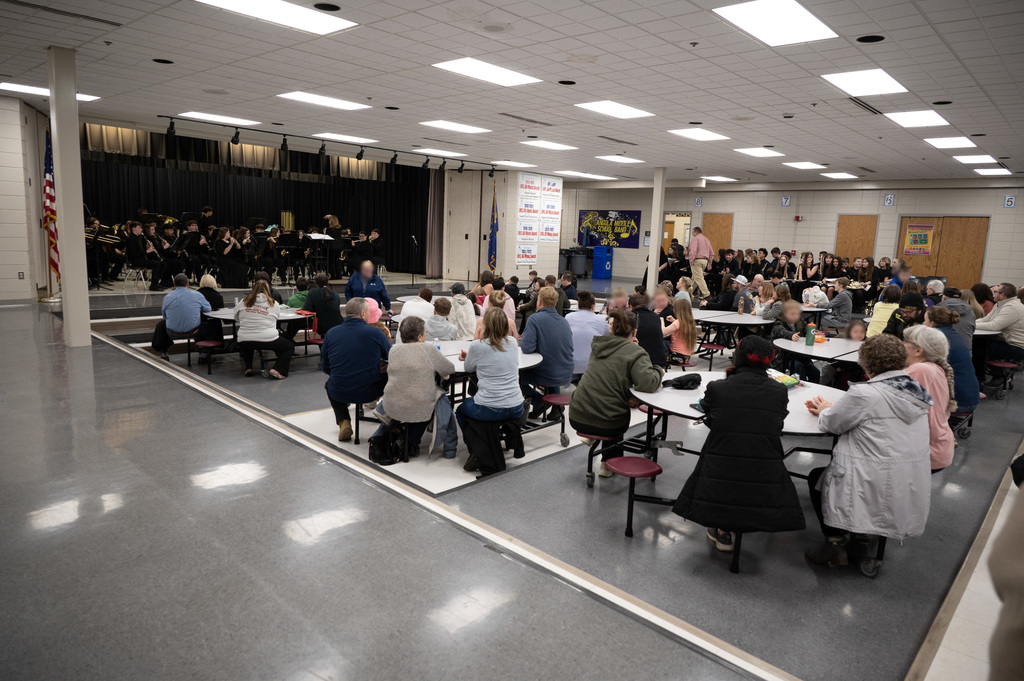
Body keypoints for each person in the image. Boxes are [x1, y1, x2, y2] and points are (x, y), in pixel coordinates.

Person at [803, 334, 932, 567]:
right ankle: (860, 539)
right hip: (905, 476)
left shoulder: (865, 394)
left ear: (866, 361)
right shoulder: (914, 391)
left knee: (817, 478)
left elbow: (832, 424)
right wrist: (839, 408)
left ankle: (834, 544)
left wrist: (824, 409)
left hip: (869, 475)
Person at [673, 335, 805, 552]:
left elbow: (707, 410)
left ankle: (723, 530)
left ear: (738, 358)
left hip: (720, 467)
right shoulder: (779, 391)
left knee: (726, 448)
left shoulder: (718, 388)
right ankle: (732, 525)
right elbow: (775, 423)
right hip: (763, 470)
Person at [569, 308, 664, 477]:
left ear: (612, 329)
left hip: (577, 414)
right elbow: (647, 384)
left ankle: (595, 442)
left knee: (607, 396)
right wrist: (658, 370)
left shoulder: (598, 346)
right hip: (608, 422)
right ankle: (607, 465)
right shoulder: (635, 352)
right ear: (634, 332)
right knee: (614, 410)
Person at [370, 316, 456, 459]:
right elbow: (449, 369)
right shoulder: (429, 349)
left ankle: (388, 435)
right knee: (431, 402)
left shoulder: (393, 350)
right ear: (420, 336)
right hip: (419, 407)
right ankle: (411, 442)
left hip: (391, 404)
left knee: (408, 398)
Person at [456, 307, 527, 456]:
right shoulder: (513, 342)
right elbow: (497, 354)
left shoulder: (477, 346)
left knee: (461, 411)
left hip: (489, 407)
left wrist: (469, 356)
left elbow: (468, 367)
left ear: (486, 325)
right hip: (516, 405)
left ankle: (475, 451)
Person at [321, 298, 391, 442]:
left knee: (330, 384)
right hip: (371, 390)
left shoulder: (331, 333)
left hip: (341, 391)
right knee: (392, 378)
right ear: (363, 314)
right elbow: (392, 357)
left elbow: (326, 367)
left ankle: (344, 421)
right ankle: (390, 419)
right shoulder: (376, 333)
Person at [903, 326, 956, 472]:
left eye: (905, 342)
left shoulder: (920, 370)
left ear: (918, 351)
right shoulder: (934, 368)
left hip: (925, 451)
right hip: (938, 447)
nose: (902, 346)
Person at [520, 286, 574, 418]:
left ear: (539, 301)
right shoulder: (564, 321)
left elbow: (527, 348)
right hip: (566, 371)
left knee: (514, 377)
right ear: (555, 303)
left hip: (547, 373)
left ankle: (538, 401)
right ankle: (555, 405)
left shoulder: (534, 319)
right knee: (552, 360)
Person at [922, 308, 978, 421]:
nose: (923, 323)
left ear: (932, 322)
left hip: (957, 402)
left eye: (925, 320)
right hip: (970, 397)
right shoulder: (956, 335)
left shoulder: (936, 338)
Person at [233, 280, 294, 380]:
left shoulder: (243, 301)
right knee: (289, 347)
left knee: (247, 340)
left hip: (244, 339)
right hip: (268, 339)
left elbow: (236, 317)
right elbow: (276, 318)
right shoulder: (274, 303)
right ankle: (278, 369)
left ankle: (248, 367)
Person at [151, 273, 214, 359]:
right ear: (187, 283)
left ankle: (164, 354)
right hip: (194, 331)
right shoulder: (197, 295)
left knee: (161, 325)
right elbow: (208, 309)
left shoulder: (167, 297)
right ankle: (204, 354)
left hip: (172, 332)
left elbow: (165, 317)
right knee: (212, 326)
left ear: (174, 283)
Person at [770, 301, 821, 383]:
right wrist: (791, 335)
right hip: (783, 357)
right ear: (785, 313)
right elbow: (781, 331)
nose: (796, 316)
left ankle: (813, 390)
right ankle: (802, 389)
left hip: (799, 354)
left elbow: (808, 329)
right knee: (799, 368)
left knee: (815, 371)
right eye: (792, 314)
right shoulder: (779, 322)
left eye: (797, 314)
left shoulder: (800, 322)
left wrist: (815, 333)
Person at [977, 282, 1024, 371]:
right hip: (1007, 342)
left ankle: (997, 376)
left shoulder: (1012, 307)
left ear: (1002, 295)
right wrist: (970, 323)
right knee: (981, 344)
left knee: (986, 349)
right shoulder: (1000, 304)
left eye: (995, 292)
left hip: (1017, 347)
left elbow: (994, 325)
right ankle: (982, 374)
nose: (992, 294)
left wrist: (972, 325)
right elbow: (986, 319)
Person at [566, 290, 610, 381]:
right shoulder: (601, 320)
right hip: (592, 366)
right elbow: (608, 336)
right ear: (593, 306)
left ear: (579, 306)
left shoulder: (568, 317)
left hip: (570, 364)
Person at [125, 220, 170, 291]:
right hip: (136, 260)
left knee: (163, 264)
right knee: (156, 264)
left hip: (141, 259)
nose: (141, 229)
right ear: (133, 229)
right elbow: (133, 254)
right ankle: (153, 286)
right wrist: (147, 251)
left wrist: (148, 247)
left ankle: (156, 283)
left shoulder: (138, 238)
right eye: (139, 228)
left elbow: (141, 251)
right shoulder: (131, 239)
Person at [630, 293, 668, 369]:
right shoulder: (655, 316)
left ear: (630, 307)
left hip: (644, 361)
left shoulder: (632, 317)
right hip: (661, 359)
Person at [662, 298, 697, 367]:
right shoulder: (690, 321)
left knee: (655, 353)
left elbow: (663, 332)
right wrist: (673, 321)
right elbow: (681, 327)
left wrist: (661, 320)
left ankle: (664, 371)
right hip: (685, 357)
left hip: (676, 356)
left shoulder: (678, 322)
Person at [688, 226, 713, 299]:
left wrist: (691, 260)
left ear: (695, 232)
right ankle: (688, 293)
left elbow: (693, 250)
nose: (692, 234)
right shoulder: (706, 239)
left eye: (693, 232)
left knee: (699, 277)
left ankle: (706, 294)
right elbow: (711, 252)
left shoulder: (695, 239)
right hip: (705, 260)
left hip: (697, 260)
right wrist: (710, 262)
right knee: (695, 278)